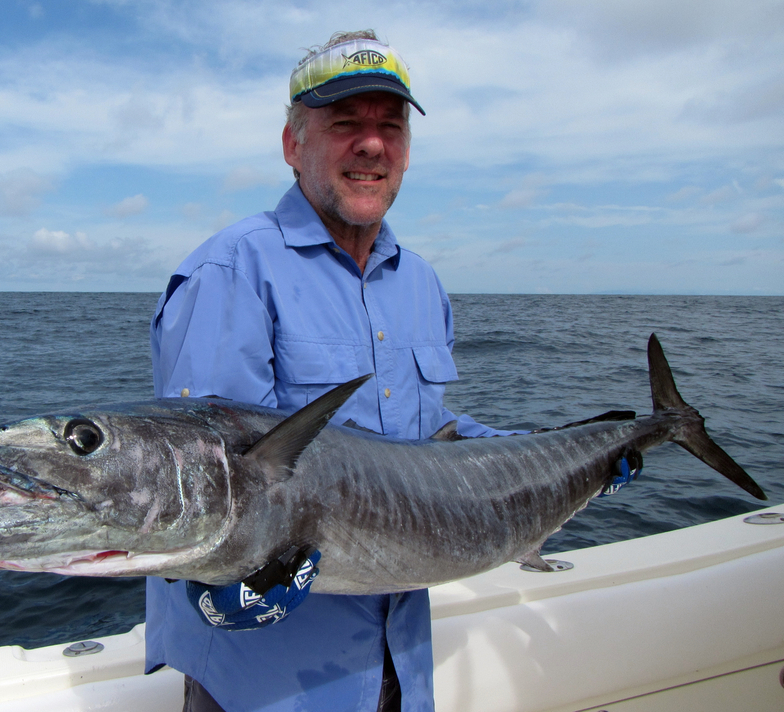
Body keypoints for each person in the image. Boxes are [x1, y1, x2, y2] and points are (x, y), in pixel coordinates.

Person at [144, 30, 636, 712]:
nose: (371, 145)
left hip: (400, 668)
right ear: (293, 145)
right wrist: (216, 588)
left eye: (390, 126)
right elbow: (209, 485)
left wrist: (572, 450)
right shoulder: (232, 271)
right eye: (345, 124)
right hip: (268, 686)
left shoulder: (420, 281)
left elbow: (431, 435)